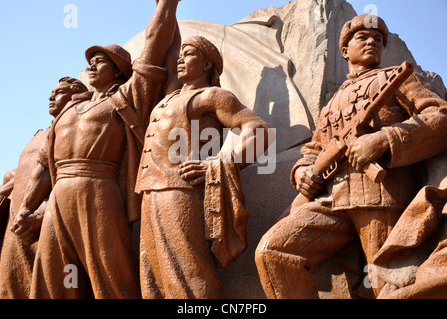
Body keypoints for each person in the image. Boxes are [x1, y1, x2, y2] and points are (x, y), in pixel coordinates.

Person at [255, 14, 447, 299]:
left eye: (379, 40)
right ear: (345, 50)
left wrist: (383, 139)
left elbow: (439, 116)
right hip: (331, 199)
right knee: (273, 252)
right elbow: (313, 150)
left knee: (388, 285)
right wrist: (301, 172)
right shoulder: (332, 102)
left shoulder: (398, 79)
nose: (372, 42)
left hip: (381, 197)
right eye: (363, 37)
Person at [20, 0, 181, 298]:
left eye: (101, 61)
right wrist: (27, 206)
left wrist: (167, 5)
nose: (92, 65)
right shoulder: (68, 112)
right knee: (52, 278)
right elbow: (44, 166)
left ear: (120, 72)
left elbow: (154, 45)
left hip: (99, 190)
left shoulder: (125, 98)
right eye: (89, 61)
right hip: (58, 197)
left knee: (110, 274)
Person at [136, 35, 272, 299]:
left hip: (180, 191)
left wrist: (220, 163)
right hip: (149, 193)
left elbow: (261, 131)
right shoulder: (169, 97)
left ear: (208, 64)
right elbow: (168, 45)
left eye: (189, 54)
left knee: (187, 273)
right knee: (152, 274)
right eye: (181, 54)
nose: (180, 59)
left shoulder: (212, 96)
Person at [0, 77, 89, 299]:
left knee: (63, 286)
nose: (51, 96)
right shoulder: (39, 133)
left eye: (59, 92)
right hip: (17, 223)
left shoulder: (75, 127)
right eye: (51, 92)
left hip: (50, 220)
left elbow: (69, 176)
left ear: (76, 95)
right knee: (11, 286)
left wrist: (42, 214)